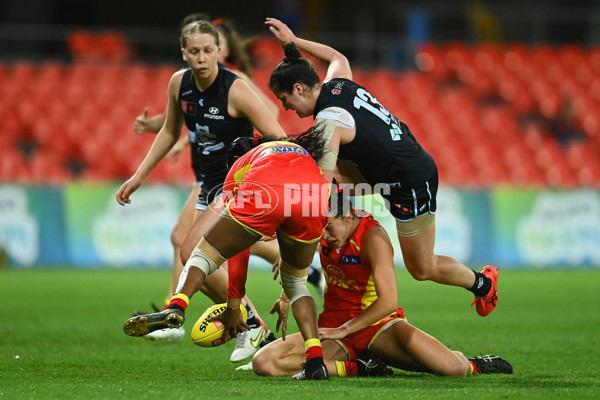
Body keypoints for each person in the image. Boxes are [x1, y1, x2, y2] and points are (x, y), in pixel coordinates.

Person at [264, 17, 499, 317]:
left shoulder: (328, 123)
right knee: (319, 179)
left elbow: (319, 198)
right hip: (383, 173)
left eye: (284, 100)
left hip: (410, 182)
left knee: (421, 268)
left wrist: (290, 281)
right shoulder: (337, 84)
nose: (286, 108)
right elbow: (338, 57)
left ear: (298, 89)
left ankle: (483, 284)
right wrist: (294, 42)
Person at [117, 20, 286, 360]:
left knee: (192, 248)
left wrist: (261, 187)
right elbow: (169, 131)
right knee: (188, 254)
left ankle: (246, 322)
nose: (202, 58)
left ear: (218, 51)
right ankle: (254, 326)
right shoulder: (179, 84)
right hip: (210, 186)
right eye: (194, 52)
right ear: (184, 54)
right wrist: (138, 176)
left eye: (208, 50)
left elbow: (278, 138)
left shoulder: (235, 88)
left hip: (237, 186)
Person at [122, 134, 333, 381]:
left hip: (266, 188)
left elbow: (238, 251)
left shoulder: (240, 165)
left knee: (203, 252)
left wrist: (234, 306)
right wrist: (285, 296)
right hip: (315, 197)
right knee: (297, 284)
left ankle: (177, 306)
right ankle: (316, 362)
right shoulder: (299, 154)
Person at [250, 192, 513, 378]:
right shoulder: (324, 231)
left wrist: (346, 329)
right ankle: (362, 367)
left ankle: (476, 363)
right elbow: (299, 259)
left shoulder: (372, 237)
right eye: (321, 230)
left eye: (329, 228)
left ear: (349, 216)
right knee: (265, 362)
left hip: (379, 327)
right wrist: (286, 295)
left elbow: (388, 301)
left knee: (452, 369)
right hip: (333, 328)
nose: (325, 237)